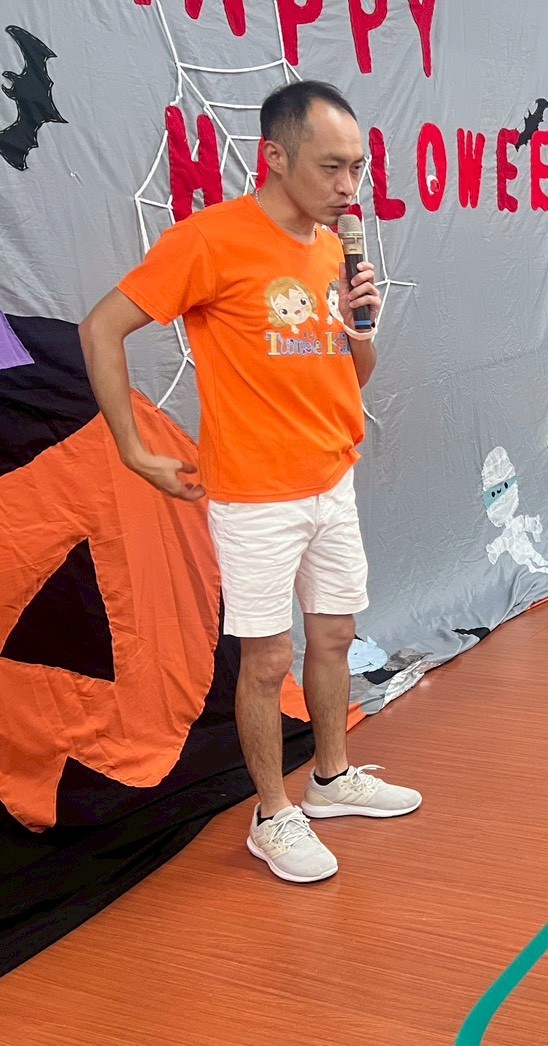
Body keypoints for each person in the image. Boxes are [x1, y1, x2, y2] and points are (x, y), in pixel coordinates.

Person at [78, 81, 420, 884]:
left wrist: (361, 325)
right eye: (331, 167)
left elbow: (352, 376)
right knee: (266, 663)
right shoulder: (210, 240)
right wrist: (131, 447)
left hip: (332, 478)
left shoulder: (333, 249)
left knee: (333, 637)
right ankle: (272, 814)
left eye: (358, 168)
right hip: (255, 494)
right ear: (274, 157)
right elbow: (101, 327)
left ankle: (331, 777)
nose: (348, 186)